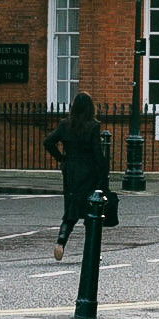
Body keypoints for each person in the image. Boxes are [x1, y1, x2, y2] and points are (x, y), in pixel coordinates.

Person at [45, 91, 110, 261]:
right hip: (89, 173)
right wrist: (104, 170)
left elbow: (48, 141)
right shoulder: (93, 126)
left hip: (71, 172)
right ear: (90, 108)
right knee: (91, 213)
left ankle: (60, 242)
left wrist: (61, 158)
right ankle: (92, 251)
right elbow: (97, 153)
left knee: (71, 211)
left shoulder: (65, 124)